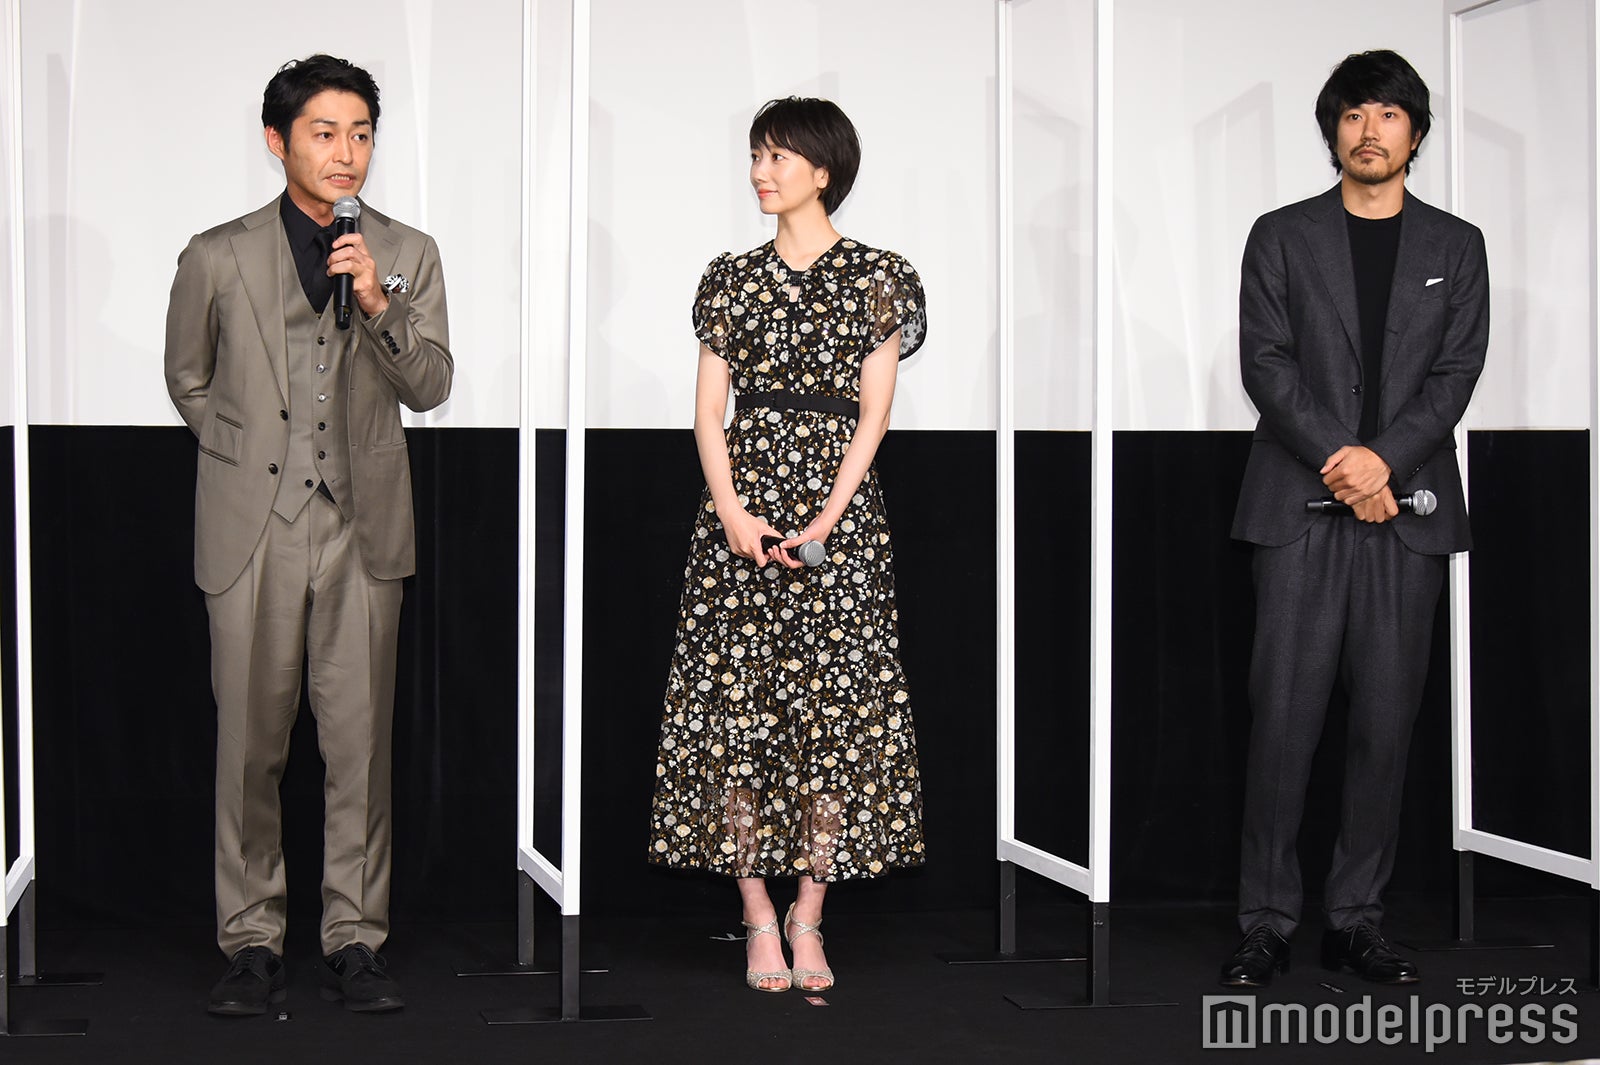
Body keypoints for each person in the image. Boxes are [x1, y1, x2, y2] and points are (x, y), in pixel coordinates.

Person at [164, 54, 453, 1015]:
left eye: (361, 133)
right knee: (249, 746)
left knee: (360, 748)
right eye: (325, 133)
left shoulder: (406, 251)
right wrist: (247, 456)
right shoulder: (216, 254)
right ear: (277, 140)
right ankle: (250, 941)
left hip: (364, 529)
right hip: (254, 530)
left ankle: (355, 938)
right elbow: (188, 378)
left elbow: (431, 384)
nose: (346, 153)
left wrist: (376, 302)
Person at [647, 96, 927, 993]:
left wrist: (827, 520)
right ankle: (756, 913)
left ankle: (810, 913)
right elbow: (708, 412)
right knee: (735, 712)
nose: (761, 171)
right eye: (756, 154)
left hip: (840, 518)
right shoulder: (730, 278)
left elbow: (874, 415)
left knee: (834, 716)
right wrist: (733, 513)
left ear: (823, 170)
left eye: (778, 156)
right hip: (739, 510)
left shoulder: (880, 277)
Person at [1222, 50, 1488, 987]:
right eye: (1352, 114)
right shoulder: (1281, 235)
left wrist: (1385, 463)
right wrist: (1349, 463)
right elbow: (1266, 362)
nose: (1368, 130)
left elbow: (1456, 373)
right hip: (1299, 513)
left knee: (1385, 725)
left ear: (1415, 133)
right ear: (1333, 130)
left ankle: (1357, 919)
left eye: (1388, 114)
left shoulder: (1456, 245)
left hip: (1406, 514)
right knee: (1282, 725)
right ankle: (1264, 921)